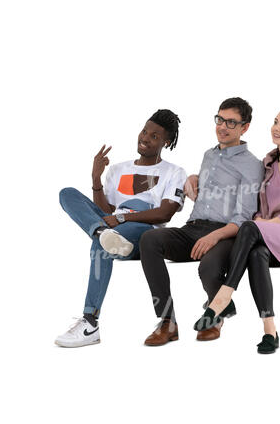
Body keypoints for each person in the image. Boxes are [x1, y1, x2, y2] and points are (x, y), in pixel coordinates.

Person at [193, 104, 280, 354]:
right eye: (276, 122)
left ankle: (223, 296)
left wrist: (261, 225)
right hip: (269, 237)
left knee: (249, 227)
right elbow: (260, 207)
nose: (276, 128)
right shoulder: (269, 162)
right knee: (256, 253)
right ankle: (270, 330)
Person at [55, 110, 187, 348]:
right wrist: (96, 179)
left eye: (155, 136)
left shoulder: (174, 172)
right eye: (145, 131)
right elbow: (106, 211)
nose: (145, 138)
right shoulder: (118, 169)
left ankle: (89, 322)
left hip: (143, 231)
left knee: (102, 244)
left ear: (166, 142)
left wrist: (124, 218)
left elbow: (165, 213)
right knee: (67, 193)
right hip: (114, 227)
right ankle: (100, 233)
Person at [139, 97, 263, 346]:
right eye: (220, 119)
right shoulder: (209, 155)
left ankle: (216, 311)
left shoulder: (252, 165)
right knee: (149, 240)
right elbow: (206, 191)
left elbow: (244, 216)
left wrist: (215, 236)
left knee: (207, 269)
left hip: (225, 234)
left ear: (244, 127)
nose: (223, 126)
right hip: (193, 228)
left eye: (231, 122)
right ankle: (167, 322)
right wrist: (193, 179)